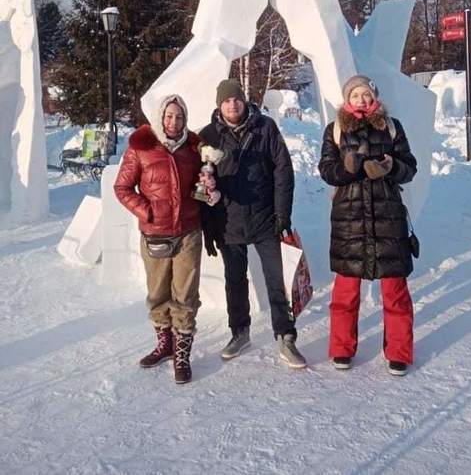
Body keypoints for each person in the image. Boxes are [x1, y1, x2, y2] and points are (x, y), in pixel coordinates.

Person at [200, 78, 307, 369]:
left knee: (277, 280)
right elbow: (200, 185)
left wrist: (282, 214)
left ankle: (286, 336)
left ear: (244, 100)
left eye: (236, 99)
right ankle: (240, 332)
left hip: (265, 218)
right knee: (234, 281)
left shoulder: (265, 127)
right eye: (226, 101)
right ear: (219, 105)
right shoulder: (207, 135)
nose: (232, 104)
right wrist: (209, 227)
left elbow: (283, 171)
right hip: (228, 220)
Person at [318, 75, 417, 376]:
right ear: (348, 99)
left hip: (388, 214)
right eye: (356, 95)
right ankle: (341, 348)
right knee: (346, 292)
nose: (361, 100)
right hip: (350, 217)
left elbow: (410, 167)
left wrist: (390, 168)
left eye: (366, 94)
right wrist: (346, 168)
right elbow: (326, 170)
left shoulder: (392, 126)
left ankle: (399, 352)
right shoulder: (335, 129)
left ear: (374, 96)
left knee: (395, 289)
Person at [114, 94, 210, 385]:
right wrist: (147, 210)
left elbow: (198, 185)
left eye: (179, 117)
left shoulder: (194, 148)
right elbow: (122, 187)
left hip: (188, 232)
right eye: (169, 116)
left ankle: (182, 355)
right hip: (155, 233)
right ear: (160, 117)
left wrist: (206, 188)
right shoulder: (141, 147)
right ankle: (164, 344)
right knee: (158, 294)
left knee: (185, 296)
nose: (174, 122)